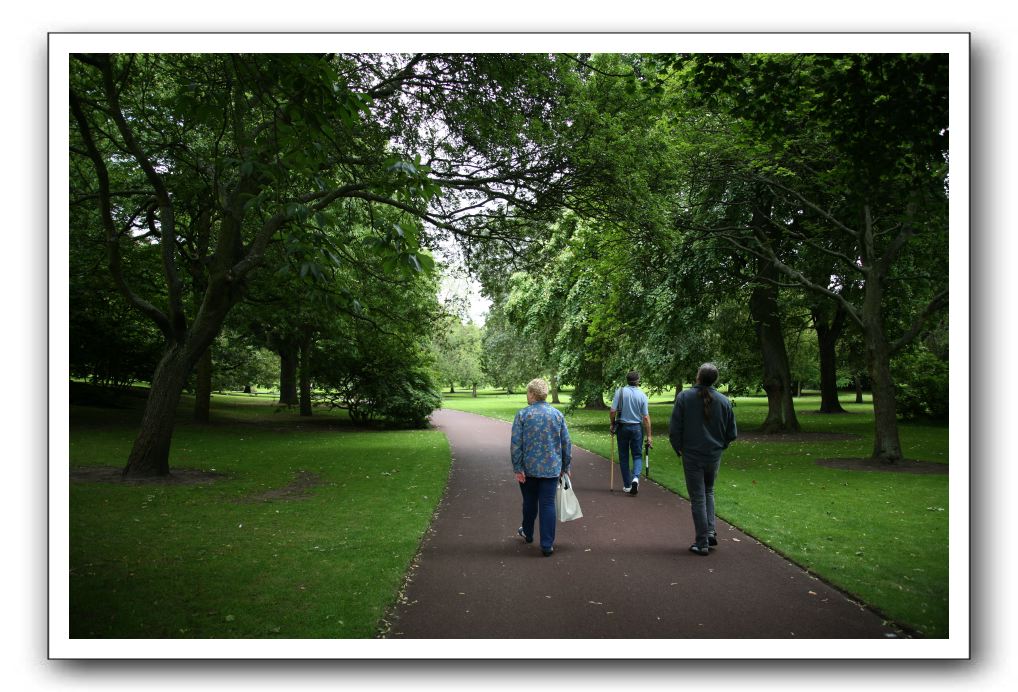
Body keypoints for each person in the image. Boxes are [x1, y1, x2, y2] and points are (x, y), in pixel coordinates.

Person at [668, 363, 737, 556]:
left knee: (698, 496)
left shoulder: (684, 397)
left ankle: (702, 542)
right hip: (713, 455)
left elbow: (674, 429)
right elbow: (732, 433)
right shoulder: (724, 401)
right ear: (715, 379)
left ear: (698, 376)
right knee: (708, 491)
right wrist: (720, 446)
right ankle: (709, 531)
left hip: (692, 455)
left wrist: (679, 448)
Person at [511, 378, 573, 557]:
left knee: (529, 502)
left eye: (527, 393)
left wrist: (518, 467)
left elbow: (516, 444)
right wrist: (566, 465)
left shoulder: (523, 415)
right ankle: (547, 544)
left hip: (528, 468)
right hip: (552, 468)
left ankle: (528, 533)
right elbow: (566, 443)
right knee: (547, 504)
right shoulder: (557, 415)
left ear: (532, 394)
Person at [609, 370, 653, 495]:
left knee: (623, 457)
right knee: (637, 455)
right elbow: (645, 417)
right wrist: (649, 436)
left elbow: (612, 411)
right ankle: (635, 478)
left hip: (622, 427)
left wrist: (612, 424)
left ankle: (627, 485)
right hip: (637, 428)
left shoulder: (620, 392)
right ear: (638, 381)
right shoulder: (642, 395)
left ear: (627, 380)